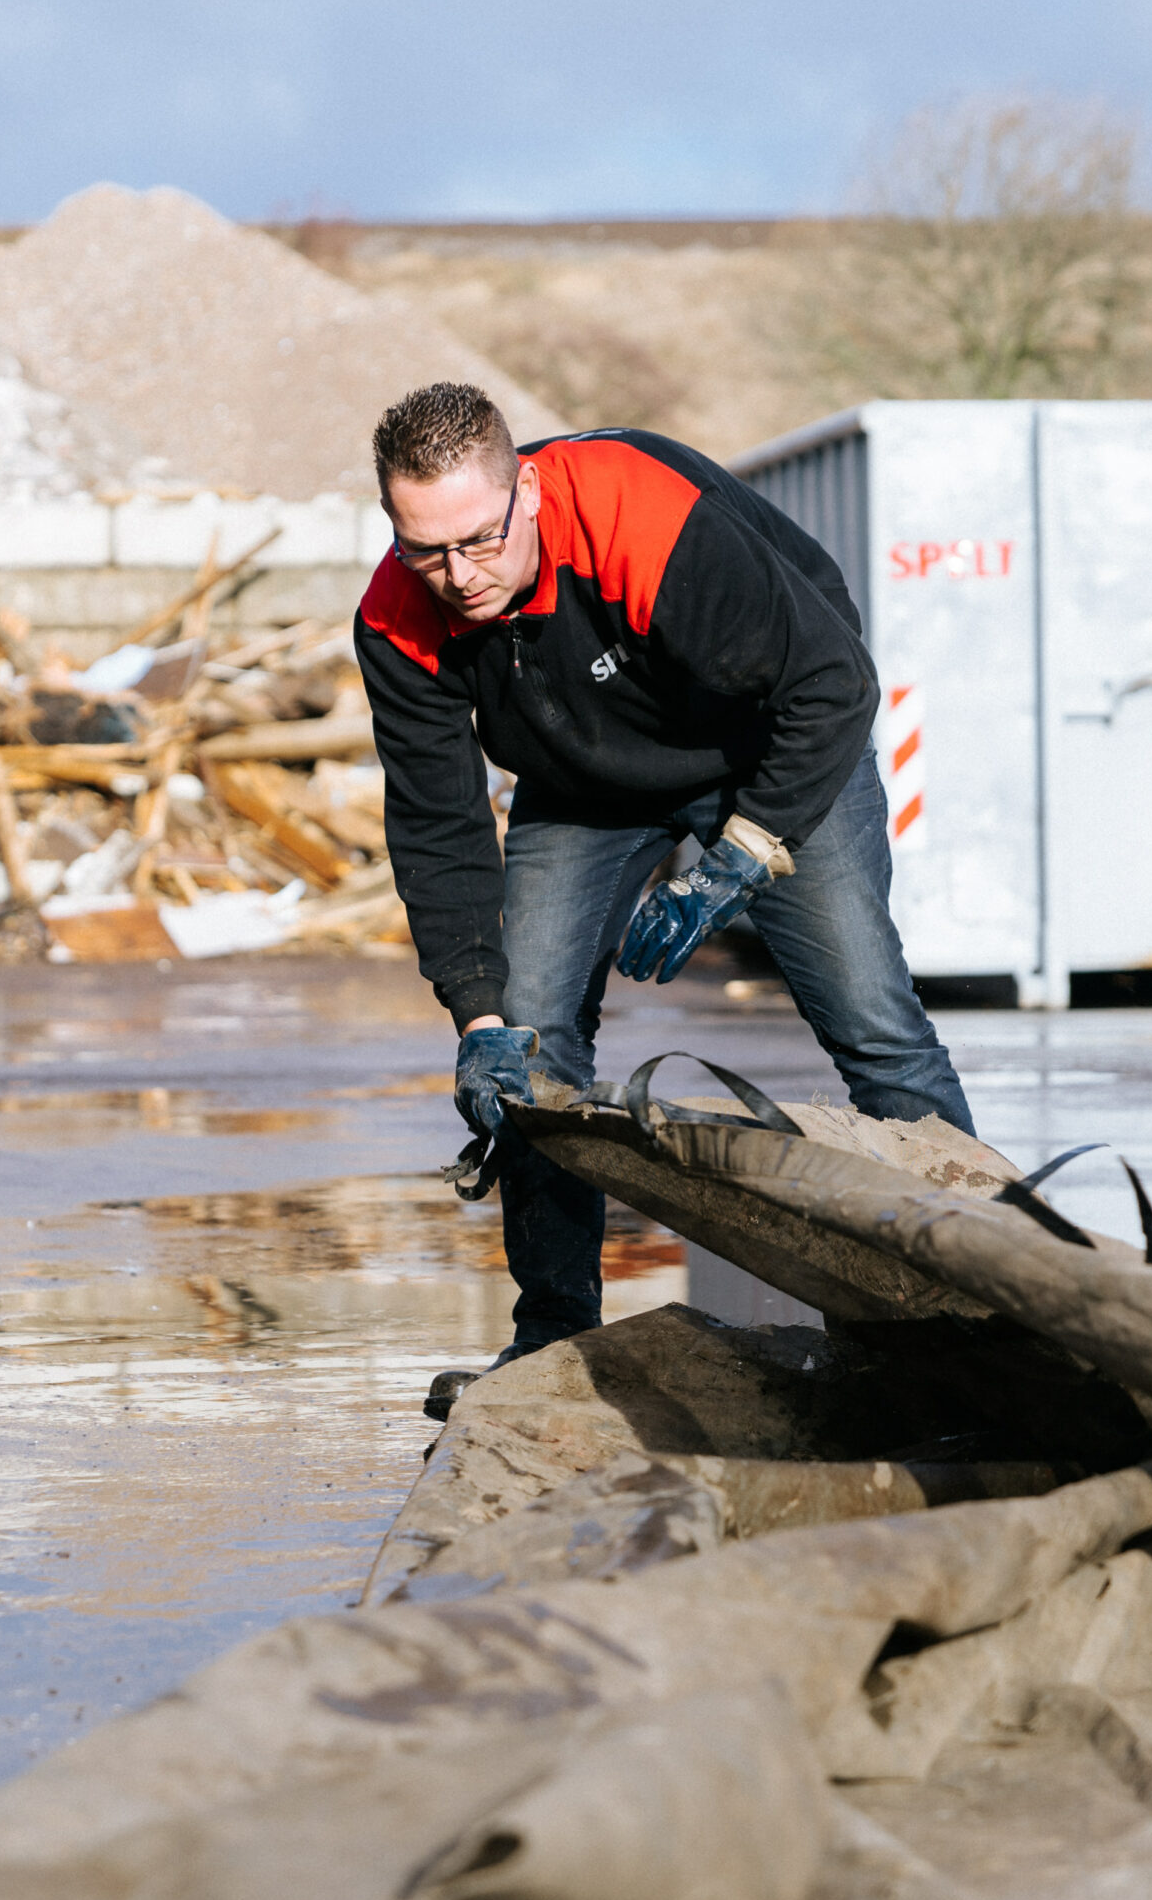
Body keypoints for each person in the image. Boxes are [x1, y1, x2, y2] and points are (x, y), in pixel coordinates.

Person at [354, 381, 973, 1398]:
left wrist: (742, 853)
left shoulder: (640, 513)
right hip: (584, 785)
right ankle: (551, 1343)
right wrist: (476, 1017)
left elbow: (832, 685)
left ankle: (979, 1317)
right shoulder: (397, 615)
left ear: (529, 494)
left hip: (767, 747)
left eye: (479, 539)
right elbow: (438, 824)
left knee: (873, 1019)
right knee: (532, 1045)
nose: (458, 576)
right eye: (426, 550)